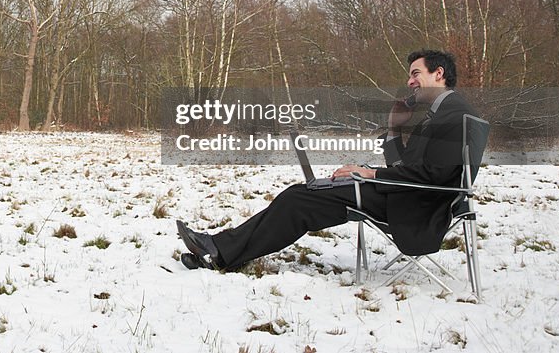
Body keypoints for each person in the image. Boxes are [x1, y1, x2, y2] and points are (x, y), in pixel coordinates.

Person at [177, 49, 478, 271]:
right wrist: (394, 130)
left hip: (416, 207)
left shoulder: (452, 114)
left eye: (416, 74)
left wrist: (369, 175)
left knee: (300, 199)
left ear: (438, 73)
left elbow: (432, 177)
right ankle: (220, 250)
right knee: (301, 195)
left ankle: (220, 250)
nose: (410, 81)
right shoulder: (443, 112)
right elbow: (409, 169)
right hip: (408, 197)